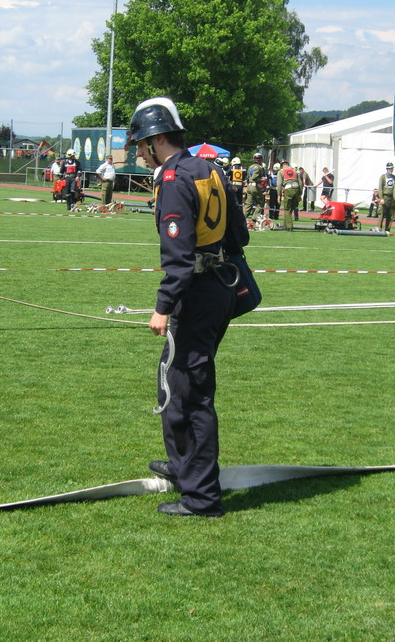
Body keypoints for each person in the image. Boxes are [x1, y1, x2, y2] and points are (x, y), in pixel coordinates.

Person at [129, 96, 249, 518]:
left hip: (195, 294)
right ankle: (182, 466)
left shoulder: (175, 179)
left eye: (141, 145)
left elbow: (178, 258)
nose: (139, 153)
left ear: (157, 140)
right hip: (218, 285)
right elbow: (240, 234)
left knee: (191, 392)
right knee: (175, 381)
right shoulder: (208, 168)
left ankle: (200, 498)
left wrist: (163, 307)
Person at [277, 159, 301, 231]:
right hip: (296, 189)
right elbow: (300, 183)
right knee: (291, 208)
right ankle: (285, 225)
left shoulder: (281, 171)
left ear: (281, 165)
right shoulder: (294, 171)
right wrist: (300, 194)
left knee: (287, 208)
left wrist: (279, 195)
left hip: (288, 189)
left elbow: (279, 184)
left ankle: (289, 226)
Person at [243, 153, 267, 221]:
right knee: (261, 202)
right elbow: (254, 178)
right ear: (261, 159)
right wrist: (261, 180)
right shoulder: (259, 167)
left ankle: (243, 217)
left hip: (249, 186)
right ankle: (254, 218)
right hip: (255, 186)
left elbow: (248, 177)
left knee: (248, 204)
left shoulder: (250, 167)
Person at [377, 162, 395, 231]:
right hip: (385, 196)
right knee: (381, 213)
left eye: (391, 168)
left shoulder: (394, 177)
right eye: (389, 168)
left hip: (392, 197)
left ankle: (387, 229)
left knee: (390, 214)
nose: (390, 170)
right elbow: (380, 188)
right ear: (387, 169)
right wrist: (381, 198)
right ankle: (379, 228)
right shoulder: (383, 177)